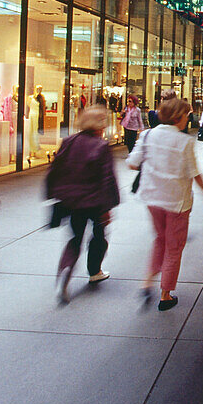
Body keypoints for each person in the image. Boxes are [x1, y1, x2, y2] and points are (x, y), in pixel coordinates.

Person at [126, 98, 203, 311]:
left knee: (160, 239)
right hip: (177, 202)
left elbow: (131, 163)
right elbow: (194, 173)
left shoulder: (147, 135)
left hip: (152, 198)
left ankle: (148, 281)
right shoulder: (184, 142)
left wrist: (155, 167)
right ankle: (165, 294)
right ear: (177, 117)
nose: (188, 118)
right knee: (174, 247)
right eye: (187, 115)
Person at [46, 106, 120, 303]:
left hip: (71, 201)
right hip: (94, 202)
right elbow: (106, 179)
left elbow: (54, 169)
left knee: (74, 239)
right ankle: (94, 270)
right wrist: (107, 207)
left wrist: (53, 195)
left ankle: (64, 276)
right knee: (99, 236)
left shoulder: (69, 141)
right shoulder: (101, 146)